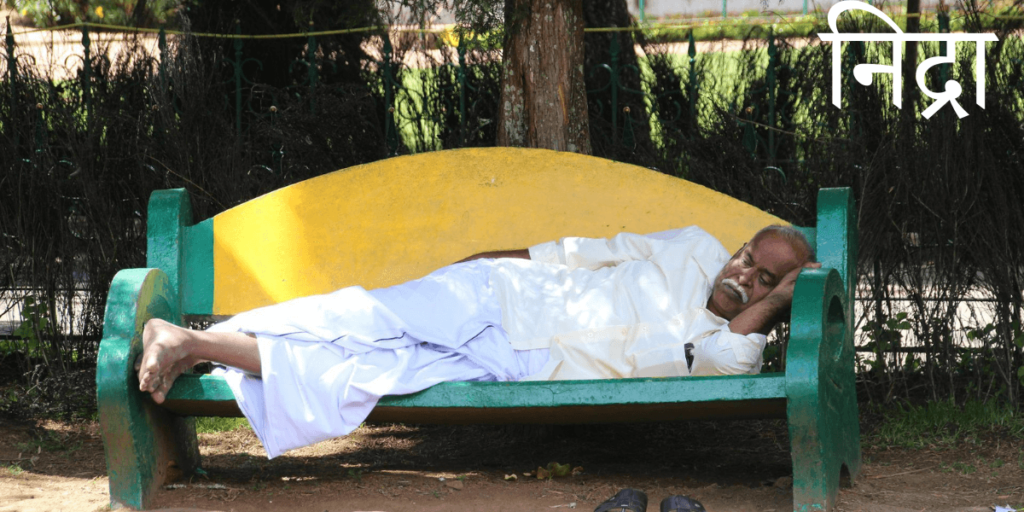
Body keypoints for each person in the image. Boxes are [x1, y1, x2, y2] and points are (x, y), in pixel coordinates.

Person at [137, 224, 818, 458]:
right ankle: (194, 341)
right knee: (360, 319)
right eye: (747, 260)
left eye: (764, 282)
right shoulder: (691, 248)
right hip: (502, 294)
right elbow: (578, 253)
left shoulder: (723, 342)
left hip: (519, 362)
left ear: (775, 299)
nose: (743, 277)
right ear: (733, 247)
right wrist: (479, 266)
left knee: (365, 376)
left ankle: (192, 344)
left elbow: (725, 363)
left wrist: (778, 305)